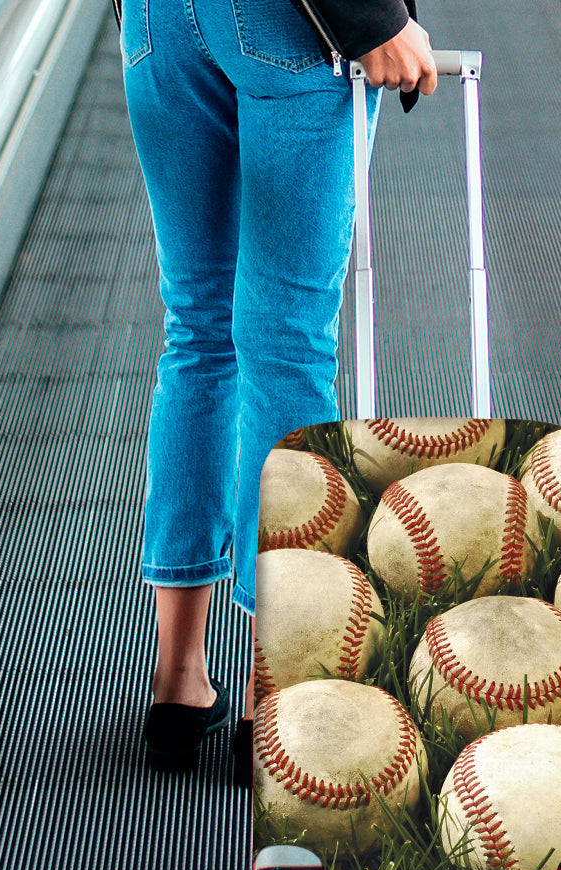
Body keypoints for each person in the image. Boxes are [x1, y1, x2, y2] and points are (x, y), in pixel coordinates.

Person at [120, 0, 437, 773]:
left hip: (157, 26)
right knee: (285, 347)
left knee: (197, 333)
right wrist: (372, 18)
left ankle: (178, 680)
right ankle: (277, 695)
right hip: (288, 27)